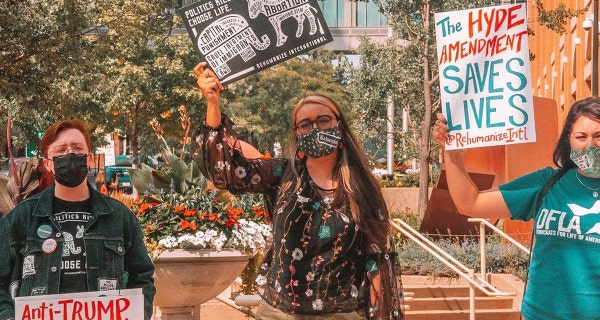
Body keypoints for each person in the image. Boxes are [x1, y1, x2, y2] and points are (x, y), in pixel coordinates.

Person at [191, 62, 404, 319]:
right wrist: (212, 103)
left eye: (323, 120)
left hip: (343, 312)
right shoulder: (282, 175)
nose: (315, 128)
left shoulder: (362, 188)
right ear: (297, 133)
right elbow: (223, 172)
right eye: (305, 124)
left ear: (340, 126)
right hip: (281, 312)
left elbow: (377, 260)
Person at [432, 96, 600, 320]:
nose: (591, 145)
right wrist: (451, 150)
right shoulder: (546, 183)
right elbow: (470, 203)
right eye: (581, 137)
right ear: (569, 141)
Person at [0, 120, 155, 320]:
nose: (70, 155)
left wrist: (137, 314)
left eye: (77, 148)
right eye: (61, 150)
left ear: (89, 158)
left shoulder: (119, 216)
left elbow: (142, 277)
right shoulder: (20, 219)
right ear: (47, 163)